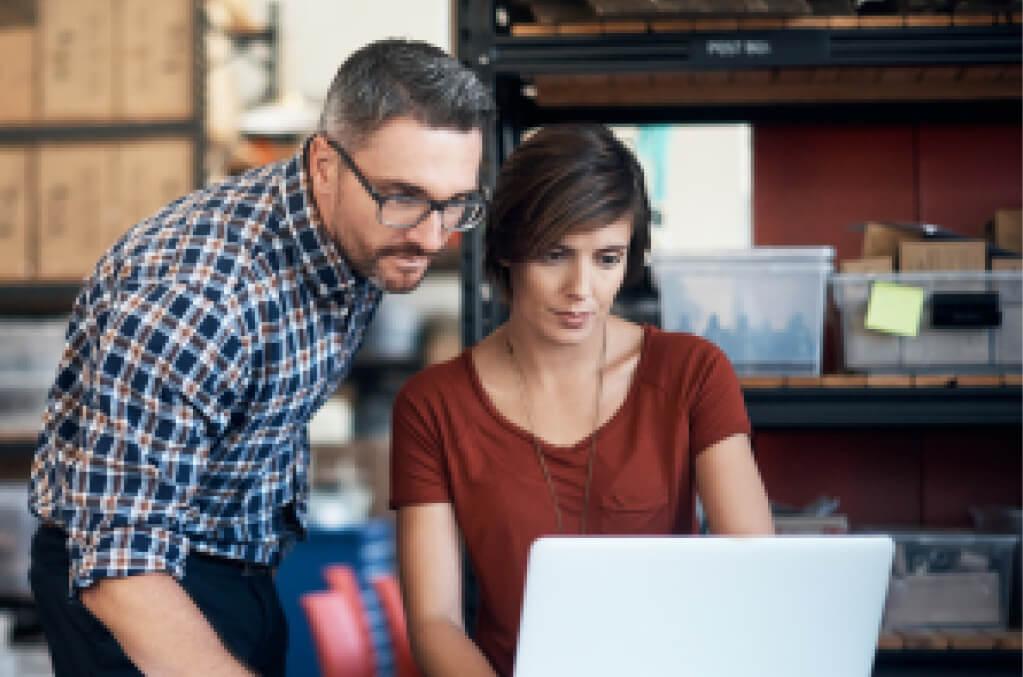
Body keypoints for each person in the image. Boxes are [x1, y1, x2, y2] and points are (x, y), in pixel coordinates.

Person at [28, 38, 493, 676]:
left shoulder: (362, 232)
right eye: (404, 197)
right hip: (135, 585)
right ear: (325, 165)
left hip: (243, 560)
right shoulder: (198, 298)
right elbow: (119, 565)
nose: (431, 236)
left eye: (453, 204)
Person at [390, 123, 774, 677]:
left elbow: (755, 578)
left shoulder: (691, 373)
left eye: (607, 258)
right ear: (508, 251)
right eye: (554, 255)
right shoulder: (433, 406)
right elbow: (435, 622)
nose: (581, 288)